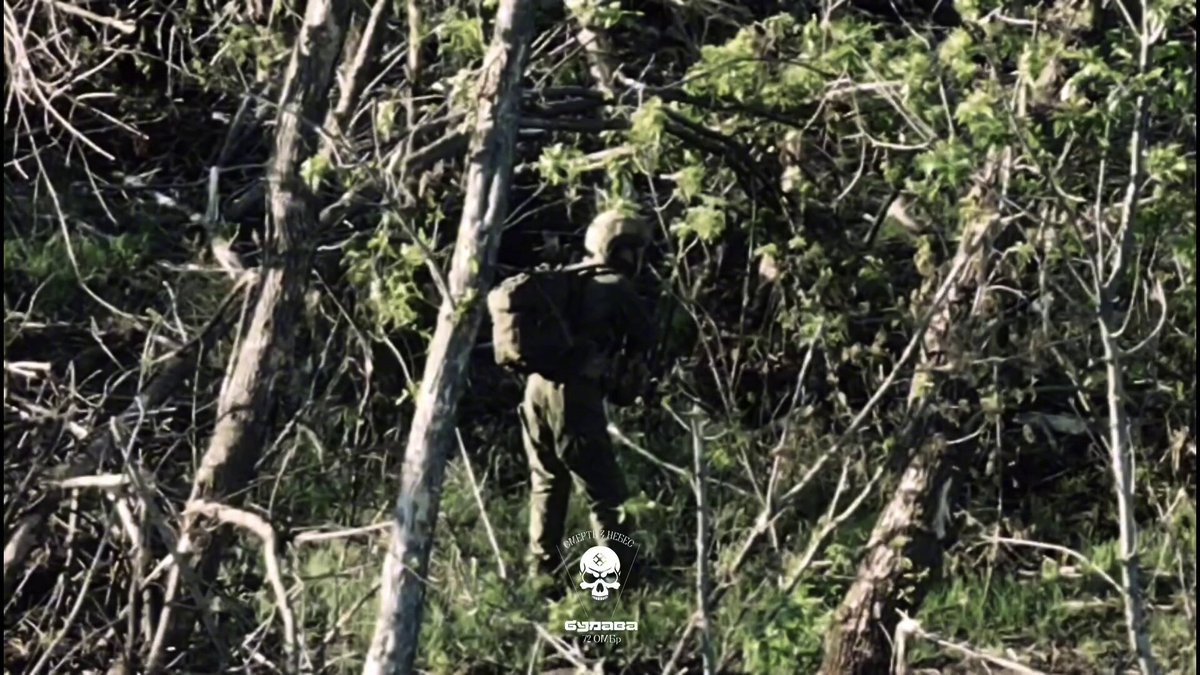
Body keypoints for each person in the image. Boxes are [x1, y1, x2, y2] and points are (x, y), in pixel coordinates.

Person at [520, 209, 656, 591]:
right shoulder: (616, 286)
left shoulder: (565, 278)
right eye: (632, 249)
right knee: (605, 493)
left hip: (535, 389)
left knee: (547, 481)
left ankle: (543, 574)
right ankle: (619, 579)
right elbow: (647, 336)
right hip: (573, 394)